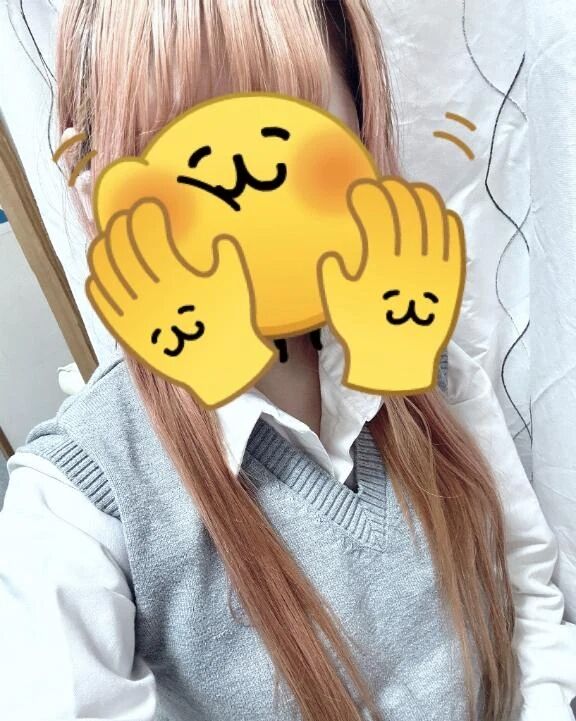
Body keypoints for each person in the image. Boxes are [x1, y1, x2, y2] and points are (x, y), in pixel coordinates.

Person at [1, 1, 575, 720]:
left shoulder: (423, 354)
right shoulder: (79, 500)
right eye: (186, 149)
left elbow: (527, 592)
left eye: (289, 127)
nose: (247, 197)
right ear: (96, 186)